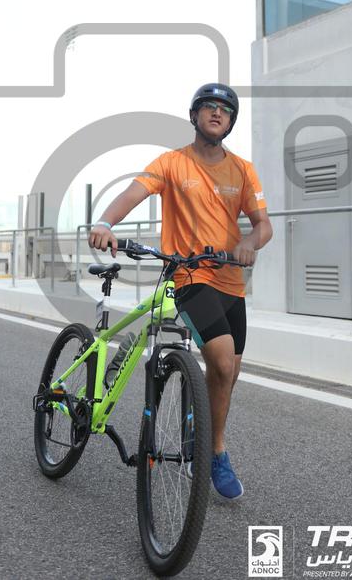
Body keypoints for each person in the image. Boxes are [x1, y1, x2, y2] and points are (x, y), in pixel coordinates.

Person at [88, 83, 273, 500]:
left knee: (229, 371)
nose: (216, 113)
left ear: (231, 121)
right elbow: (133, 193)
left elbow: (264, 225)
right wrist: (105, 223)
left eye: (225, 109)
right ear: (194, 116)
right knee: (221, 360)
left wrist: (249, 242)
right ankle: (214, 452)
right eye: (208, 107)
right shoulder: (172, 163)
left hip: (231, 281)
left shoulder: (243, 170)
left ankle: (201, 437)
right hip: (190, 276)